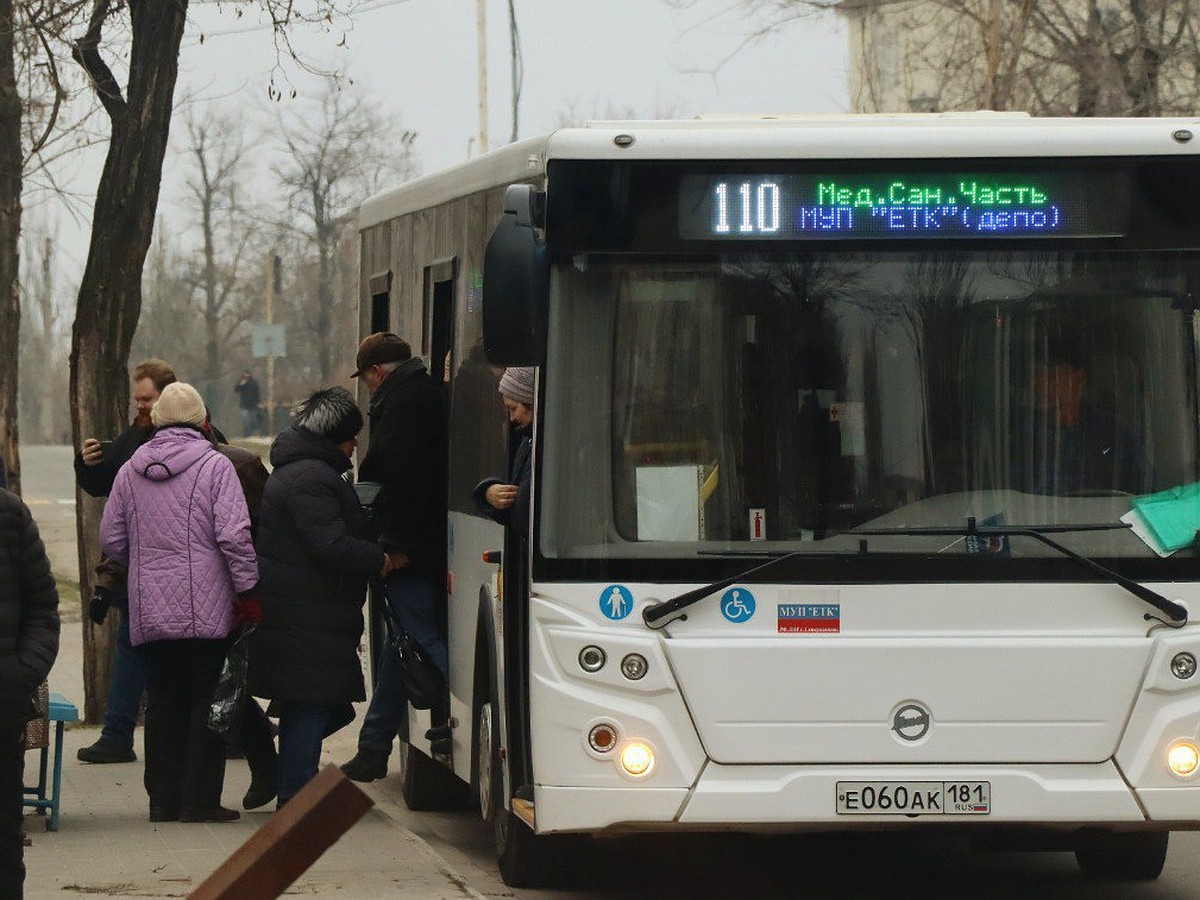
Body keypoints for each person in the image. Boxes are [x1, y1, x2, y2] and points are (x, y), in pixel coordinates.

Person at [100, 383, 259, 822]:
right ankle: (198, 801)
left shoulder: (131, 469)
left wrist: (147, 563)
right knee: (203, 702)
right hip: (206, 610)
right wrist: (247, 592)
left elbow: (111, 538)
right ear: (201, 421)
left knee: (162, 702)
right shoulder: (214, 466)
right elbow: (234, 537)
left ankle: (161, 801)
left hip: (150, 611)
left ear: (158, 421)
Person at [249, 388, 389, 807]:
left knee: (312, 704)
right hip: (307, 614)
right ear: (335, 436)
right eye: (351, 436)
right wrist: (377, 558)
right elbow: (327, 543)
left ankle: (293, 786)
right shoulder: (312, 477)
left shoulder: (301, 470)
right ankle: (296, 797)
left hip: (301, 611)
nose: (355, 444)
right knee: (311, 705)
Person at [340, 333, 448, 783]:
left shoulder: (404, 403)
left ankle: (454, 707)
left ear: (376, 372)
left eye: (365, 380)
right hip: (418, 546)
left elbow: (406, 481)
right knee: (399, 648)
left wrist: (395, 545)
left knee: (419, 639)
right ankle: (372, 747)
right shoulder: (417, 394)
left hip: (411, 552)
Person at [75, 358, 177, 765]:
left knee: (155, 655)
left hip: (164, 567)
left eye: (147, 399)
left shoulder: (184, 437)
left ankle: (121, 735)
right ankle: (119, 734)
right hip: (138, 567)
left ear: (166, 395)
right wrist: (87, 463)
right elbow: (107, 486)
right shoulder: (137, 432)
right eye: (136, 399)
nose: (140, 406)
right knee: (134, 650)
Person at [0, 489, 60, 898]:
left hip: (2, 708)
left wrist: (20, 675)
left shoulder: (8, 514)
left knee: (4, 841)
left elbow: (41, 607)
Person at [1023, 341, 1143, 495]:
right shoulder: (1019, 435)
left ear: (1079, 378)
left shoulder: (1115, 434)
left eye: (1052, 377)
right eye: (1035, 378)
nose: (1039, 385)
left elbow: (1147, 499)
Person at [474, 367, 536, 543]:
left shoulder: (535, 441)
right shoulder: (528, 440)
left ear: (531, 402)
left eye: (513, 409)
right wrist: (488, 493)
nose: (511, 418)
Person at [234, 371, 262, 437]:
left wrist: (259, 402)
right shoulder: (241, 382)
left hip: (253, 405)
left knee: (252, 420)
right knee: (245, 420)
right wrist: (241, 385)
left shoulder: (254, 383)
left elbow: (257, 393)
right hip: (244, 405)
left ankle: (252, 433)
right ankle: (246, 434)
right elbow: (236, 390)